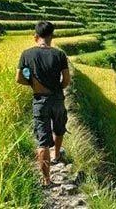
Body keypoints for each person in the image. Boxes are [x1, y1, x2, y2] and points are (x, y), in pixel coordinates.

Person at [16, 21, 71, 186]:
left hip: (40, 100)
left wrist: (34, 84)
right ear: (51, 36)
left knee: (42, 140)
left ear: (36, 37)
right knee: (59, 127)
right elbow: (66, 80)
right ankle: (57, 156)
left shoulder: (27, 54)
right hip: (57, 98)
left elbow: (18, 78)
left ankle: (47, 179)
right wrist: (56, 89)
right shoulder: (60, 54)